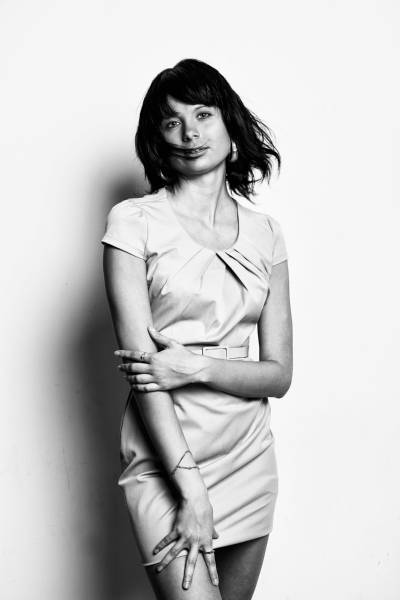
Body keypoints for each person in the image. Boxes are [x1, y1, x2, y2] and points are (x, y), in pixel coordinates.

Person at [101, 58, 293, 600]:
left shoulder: (266, 233)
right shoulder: (132, 221)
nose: (189, 132)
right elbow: (145, 374)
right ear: (158, 141)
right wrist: (191, 489)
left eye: (203, 114)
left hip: (248, 452)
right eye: (172, 121)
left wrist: (197, 366)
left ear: (230, 123)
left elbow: (279, 375)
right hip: (168, 454)